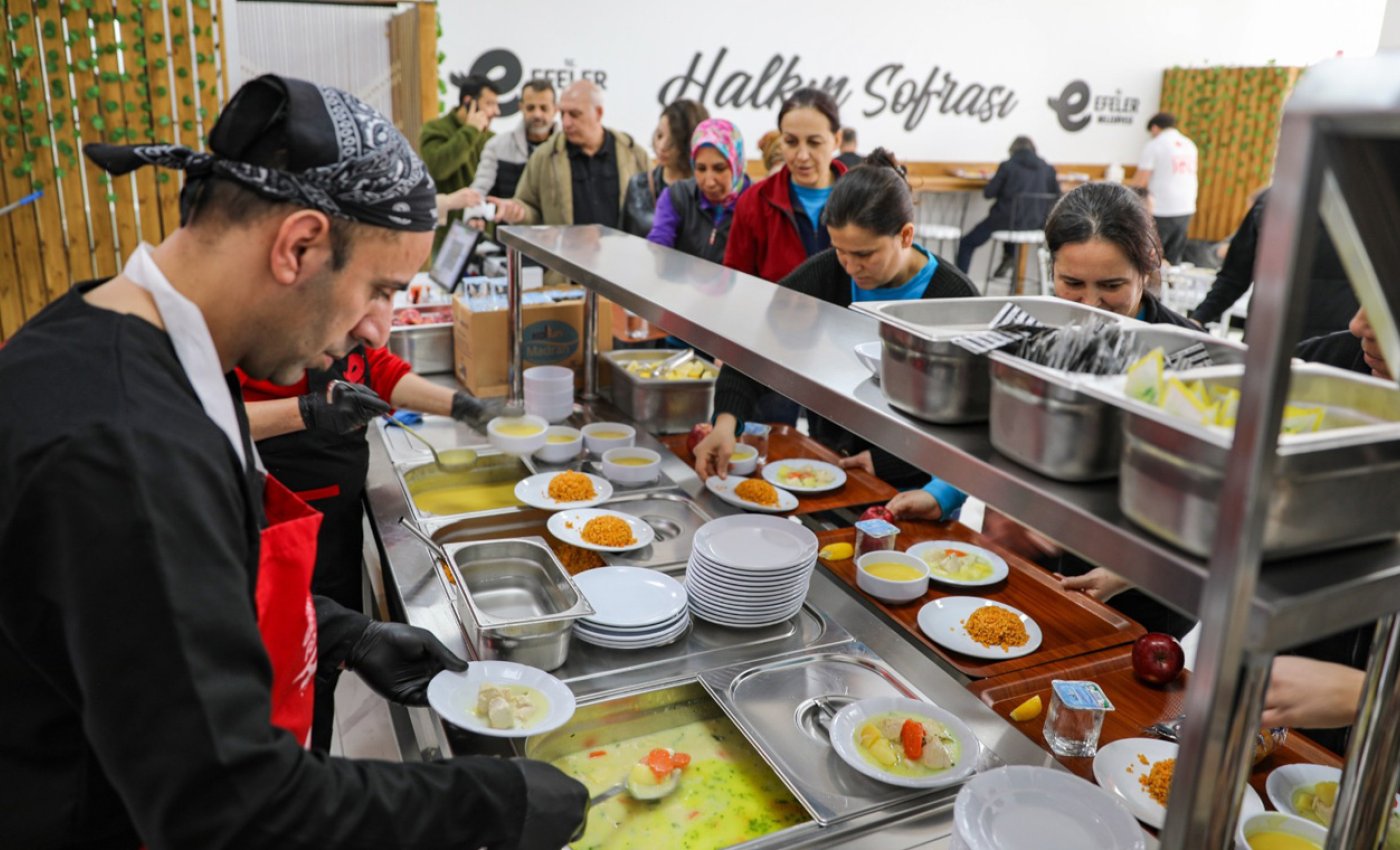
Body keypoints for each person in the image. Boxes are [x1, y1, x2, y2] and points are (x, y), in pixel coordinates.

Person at [0, 74, 586, 848]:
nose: (380, 332)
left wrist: (340, 631)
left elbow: (170, 601)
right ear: (299, 245)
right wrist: (488, 800)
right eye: (378, 289)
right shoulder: (127, 452)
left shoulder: (113, 337)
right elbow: (236, 811)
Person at [907, 183, 1199, 637]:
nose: (1090, 304)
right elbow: (988, 421)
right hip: (1032, 551)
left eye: (1112, 286)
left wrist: (1134, 568)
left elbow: (1201, 499)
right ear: (1051, 269)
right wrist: (947, 491)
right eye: (1072, 283)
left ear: (1147, 270)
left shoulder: (1189, 355)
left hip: (1140, 587)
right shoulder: (1024, 330)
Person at [239, 351, 505, 751]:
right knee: (283, 666)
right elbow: (207, 422)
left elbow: (376, 368)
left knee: (321, 656)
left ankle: (316, 752)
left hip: (338, 518)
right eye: (377, 292)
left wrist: (460, 406)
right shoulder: (246, 339)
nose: (373, 326)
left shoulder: (341, 323)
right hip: (280, 524)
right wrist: (307, 411)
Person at [692, 149, 978, 485]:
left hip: (920, 483)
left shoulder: (956, 298)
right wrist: (726, 422)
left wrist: (892, 464)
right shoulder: (825, 274)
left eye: (864, 254)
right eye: (840, 250)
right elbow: (754, 347)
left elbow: (969, 421)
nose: (851, 267)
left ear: (905, 235)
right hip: (831, 465)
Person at [1188, 187, 1360, 341]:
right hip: (1268, 341)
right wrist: (1199, 318)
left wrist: (1199, 317)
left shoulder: (1365, 208)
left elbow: (1233, 277)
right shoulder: (1269, 203)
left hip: (1330, 346)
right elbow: (1234, 276)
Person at [724, 87, 847, 284]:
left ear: (837, 140)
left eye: (814, 142)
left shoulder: (863, 200)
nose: (802, 155)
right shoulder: (754, 203)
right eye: (791, 142)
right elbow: (737, 283)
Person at [647, 117, 751, 264]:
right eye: (701, 169)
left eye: (719, 168)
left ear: (736, 164)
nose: (709, 181)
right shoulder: (677, 196)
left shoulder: (758, 203)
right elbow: (658, 244)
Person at [954, 136, 1060, 274]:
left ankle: (961, 283)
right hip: (1035, 223)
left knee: (967, 243)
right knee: (1014, 226)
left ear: (1012, 151)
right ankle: (1010, 255)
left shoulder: (1007, 166)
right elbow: (1056, 196)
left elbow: (988, 193)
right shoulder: (1048, 169)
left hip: (1006, 221)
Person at [420, 73, 501, 228]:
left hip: (483, 234)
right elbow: (438, 168)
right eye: (490, 104)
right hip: (446, 235)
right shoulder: (435, 129)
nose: (496, 112)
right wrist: (470, 131)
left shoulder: (491, 139)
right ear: (469, 102)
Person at [621, 99, 709, 237]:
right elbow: (624, 238)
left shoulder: (707, 189)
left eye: (674, 139)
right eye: (659, 135)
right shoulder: (638, 185)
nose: (662, 146)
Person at [470, 78, 559, 202]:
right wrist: (474, 215)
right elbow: (479, 188)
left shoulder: (570, 147)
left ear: (556, 109)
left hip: (558, 222)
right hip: (509, 220)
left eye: (544, 108)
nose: (537, 114)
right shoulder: (496, 146)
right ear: (520, 107)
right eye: (530, 108)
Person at [1129, 112, 1198, 264]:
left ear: (1154, 128)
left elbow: (1140, 181)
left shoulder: (1155, 145)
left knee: (1152, 256)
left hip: (1162, 208)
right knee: (1174, 257)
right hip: (1186, 207)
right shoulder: (1189, 144)